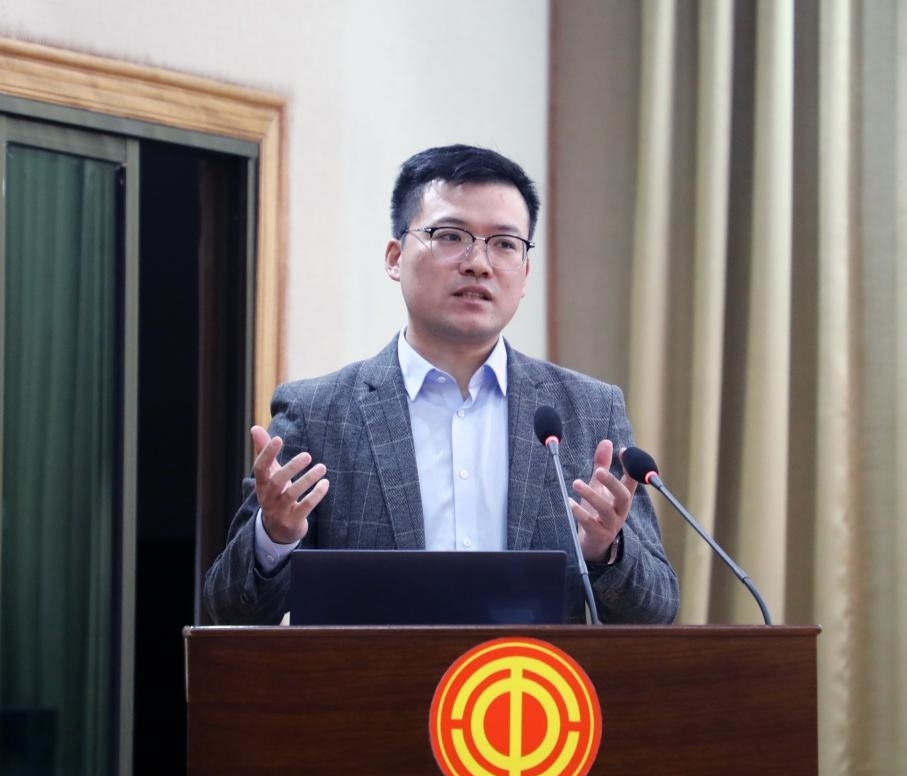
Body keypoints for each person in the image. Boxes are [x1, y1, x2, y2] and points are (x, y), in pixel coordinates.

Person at [203, 144, 678, 624]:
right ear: (395, 257)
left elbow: (657, 610)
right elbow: (227, 608)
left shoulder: (587, 411)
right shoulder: (318, 414)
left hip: (527, 676)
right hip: (379, 675)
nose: (478, 263)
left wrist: (606, 552)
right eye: (450, 236)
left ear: (524, 273)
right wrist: (275, 537)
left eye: (504, 244)